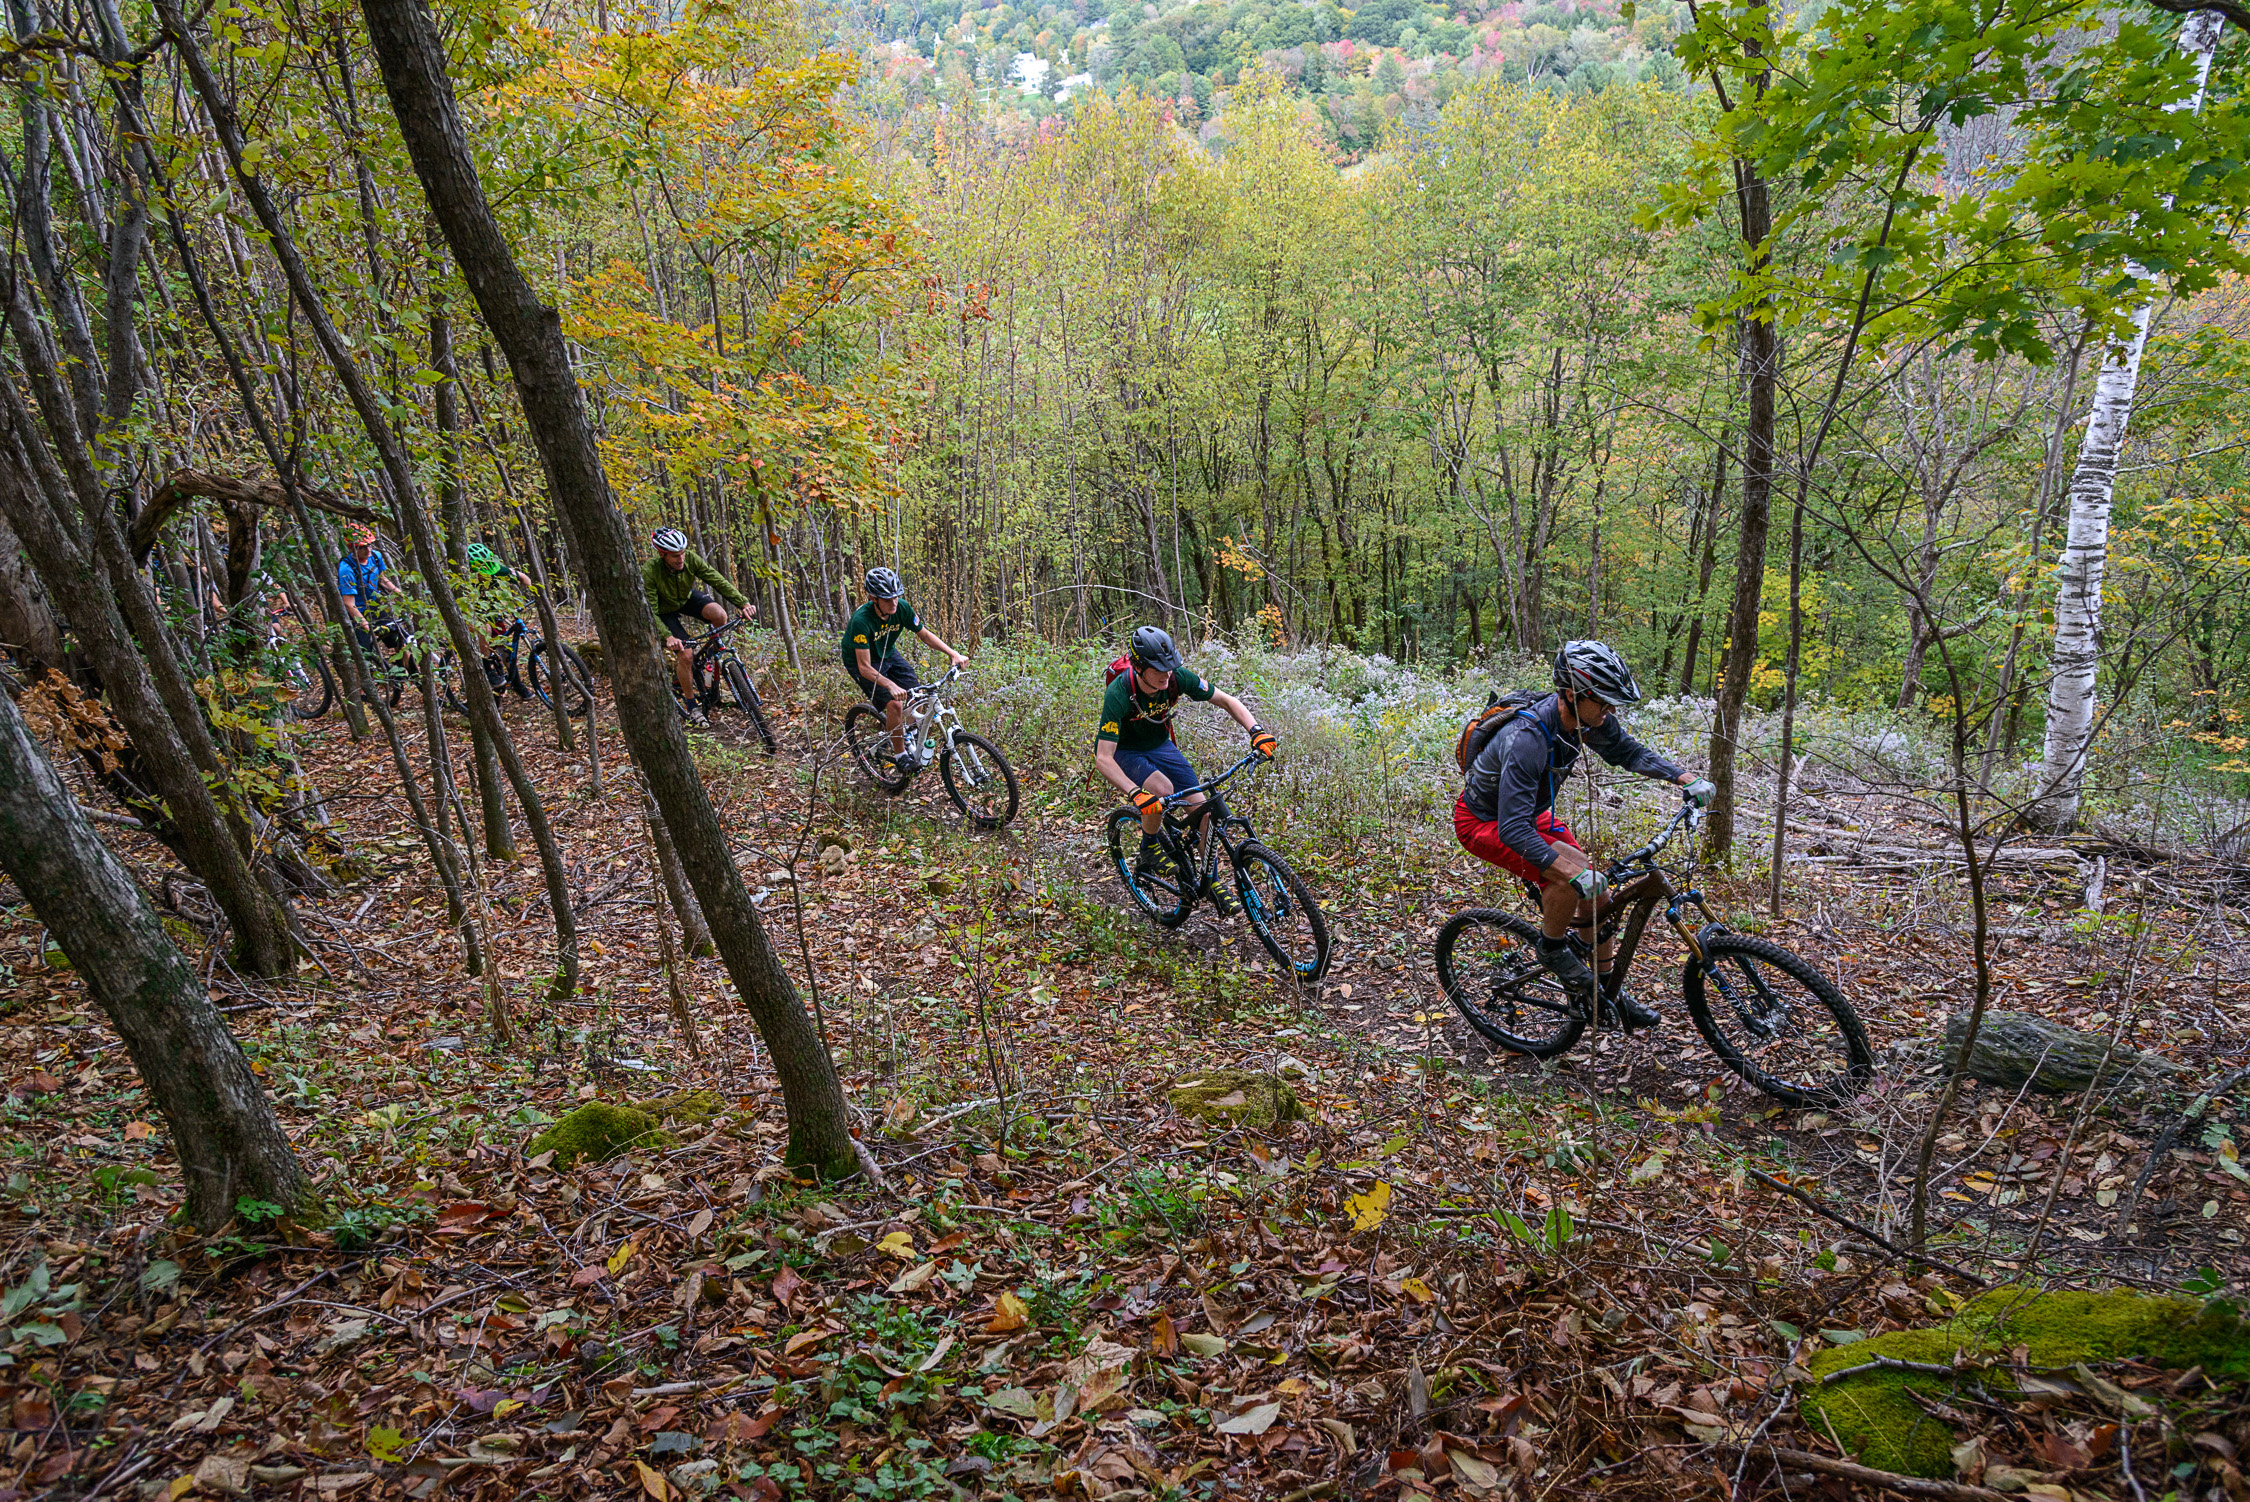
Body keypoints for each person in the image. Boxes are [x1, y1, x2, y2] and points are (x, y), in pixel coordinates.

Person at [1454, 640, 1715, 1030]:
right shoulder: (1527, 738)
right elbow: (1511, 828)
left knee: (1600, 891)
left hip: (1530, 815)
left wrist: (1682, 775)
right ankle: (1552, 948)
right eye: (1605, 703)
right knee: (1567, 873)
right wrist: (1569, 872)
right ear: (1573, 695)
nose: (1610, 712)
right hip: (1484, 821)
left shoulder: (1587, 720)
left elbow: (1628, 752)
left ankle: (1606, 992)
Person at [1094, 625, 1276, 910]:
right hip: (1125, 751)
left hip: (1160, 745)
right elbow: (1104, 757)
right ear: (1139, 667)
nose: (1168, 674)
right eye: (1159, 669)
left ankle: (1211, 882)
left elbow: (1227, 700)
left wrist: (1256, 730)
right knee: (1160, 792)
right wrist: (1134, 792)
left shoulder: (1177, 678)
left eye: (1171, 667)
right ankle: (1150, 846)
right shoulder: (1119, 692)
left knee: (1202, 811)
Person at [841, 567, 965, 767]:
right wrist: (890, 685)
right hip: (862, 662)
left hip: (887, 652)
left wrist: (953, 653)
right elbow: (864, 667)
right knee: (894, 704)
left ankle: (909, 733)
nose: (894, 603)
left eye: (896, 597)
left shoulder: (902, 608)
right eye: (887, 599)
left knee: (918, 694)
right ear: (874, 598)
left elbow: (924, 635)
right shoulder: (861, 621)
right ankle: (900, 757)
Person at [643, 527, 753, 720]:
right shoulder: (650, 571)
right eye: (675, 556)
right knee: (685, 655)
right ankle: (692, 706)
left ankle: (706, 657)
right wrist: (668, 636)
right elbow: (650, 611)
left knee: (720, 615)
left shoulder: (690, 559)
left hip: (685, 599)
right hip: (663, 610)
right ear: (662, 554)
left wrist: (742, 602)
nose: (681, 559)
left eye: (683, 553)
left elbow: (716, 579)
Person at [465, 543, 537, 695]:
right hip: (473, 618)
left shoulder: (496, 569)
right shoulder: (465, 579)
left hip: (493, 615)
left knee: (506, 651)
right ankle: (487, 670)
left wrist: (534, 593)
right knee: (485, 629)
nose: (482, 574)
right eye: (478, 571)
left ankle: (517, 685)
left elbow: (523, 577)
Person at [336, 524, 406, 657]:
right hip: (357, 611)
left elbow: (382, 579)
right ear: (351, 548)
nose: (368, 550)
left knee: (398, 638)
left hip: (375, 606)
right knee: (364, 652)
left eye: (369, 545)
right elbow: (349, 603)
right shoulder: (346, 569)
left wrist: (400, 594)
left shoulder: (375, 556)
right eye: (362, 547)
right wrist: (366, 626)